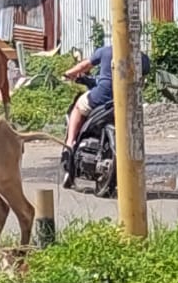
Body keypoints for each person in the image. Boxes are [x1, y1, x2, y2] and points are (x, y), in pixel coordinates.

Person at [61, 41, 151, 187]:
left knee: (78, 106)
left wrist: (69, 74)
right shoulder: (142, 58)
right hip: (128, 102)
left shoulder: (106, 51)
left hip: (102, 97)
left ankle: (70, 143)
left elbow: (85, 66)